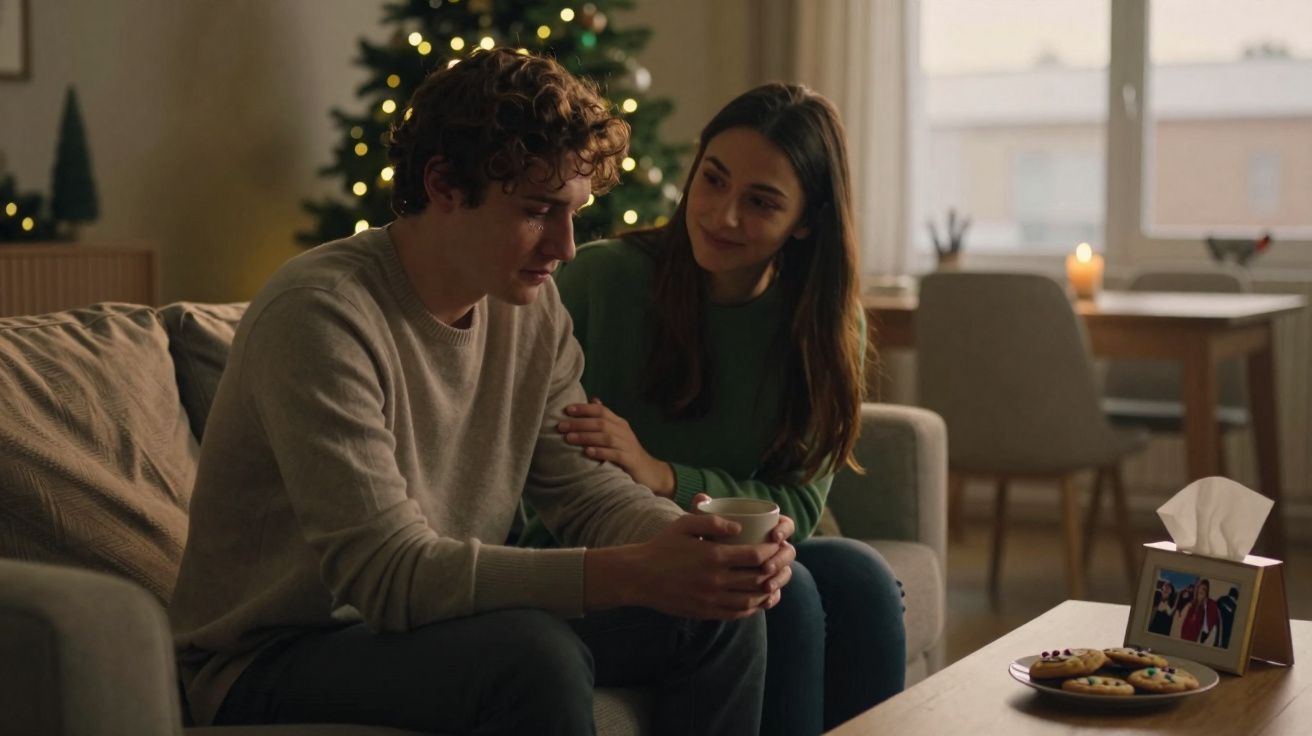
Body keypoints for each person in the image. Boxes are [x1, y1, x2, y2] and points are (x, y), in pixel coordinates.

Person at [168, 49, 799, 736]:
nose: (563, 246)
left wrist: (693, 549)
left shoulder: (531, 309)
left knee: (718, 618)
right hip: (275, 654)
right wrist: (635, 572)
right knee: (534, 658)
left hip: (435, 624)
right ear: (443, 184)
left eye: (574, 214)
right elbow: (387, 573)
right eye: (538, 211)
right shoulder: (321, 313)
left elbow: (584, 491)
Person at [519, 83, 906, 735]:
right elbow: (538, 470)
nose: (722, 215)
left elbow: (801, 509)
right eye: (713, 181)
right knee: (791, 598)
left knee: (861, 577)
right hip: (603, 551)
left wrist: (662, 473)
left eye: (760, 202)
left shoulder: (822, 327)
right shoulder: (598, 280)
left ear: (805, 220)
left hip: (738, 542)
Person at [1181, 578, 1222, 644]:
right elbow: (1184, 623)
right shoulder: (1191, 605)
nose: (1202, 590)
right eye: (1200, 588)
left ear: (1207, 592)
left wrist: (1205, 606)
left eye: (1204, 589)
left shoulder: (1208, 606)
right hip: (1184, 638)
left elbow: (1206, 629)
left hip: (1196, 641)